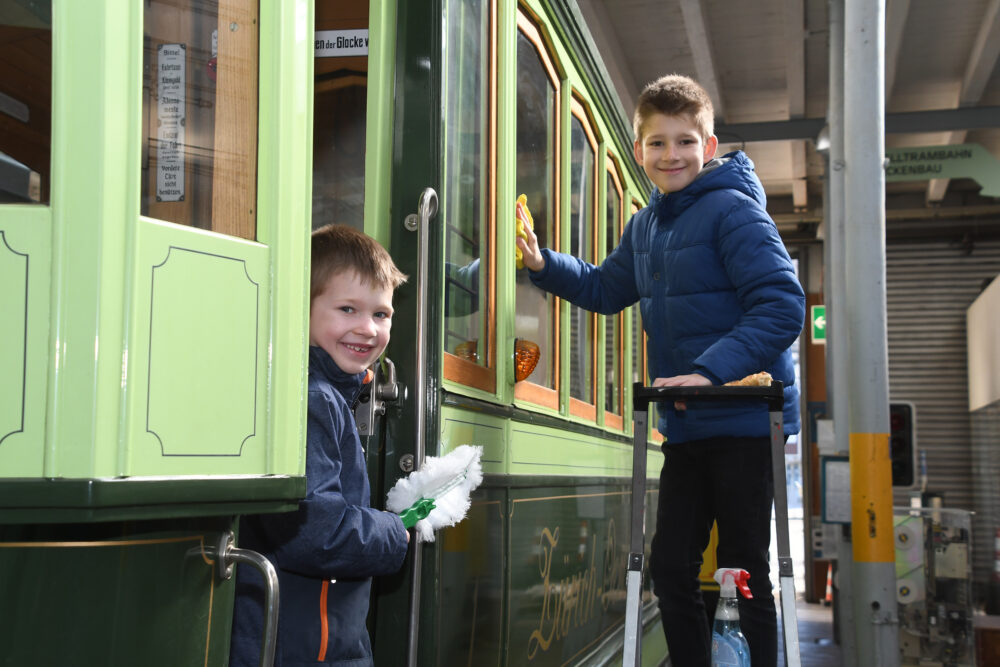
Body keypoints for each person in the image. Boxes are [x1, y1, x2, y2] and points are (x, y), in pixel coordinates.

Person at [517, 74, 804, 667]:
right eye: (657, 143)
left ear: (709, 145)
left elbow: (782, 306)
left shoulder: (734, 212)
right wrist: (543, 263)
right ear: (639, 149)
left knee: (744, 569)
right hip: (688, 425)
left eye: (685, 141)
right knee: (671, 567)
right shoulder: (647, 225)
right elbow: (605, 287)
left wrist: (709, 373)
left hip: (747, 424)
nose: (671, 155)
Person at [230, 223, 411, 666]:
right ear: (302, 306)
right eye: (347, 309)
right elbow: (316, 535)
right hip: (302, 648)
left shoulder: (330, 393)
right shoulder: (314, 399)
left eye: (381, 314)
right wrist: (394, 531)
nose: (367, 328)